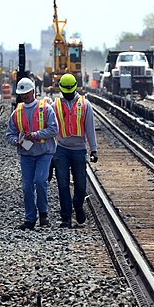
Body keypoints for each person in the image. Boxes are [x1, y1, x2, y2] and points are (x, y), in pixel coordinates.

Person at [6, 77, 58, 229]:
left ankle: (43, 214)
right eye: (22, 94)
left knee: (41, 181)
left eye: (27, 93)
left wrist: (35, 135)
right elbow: (10, 134)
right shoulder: (17, 112)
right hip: (26, 154)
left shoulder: (46, 108)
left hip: (44, 153)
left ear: (33, 91)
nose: (25, 96)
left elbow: (54, 129)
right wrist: (16, 141)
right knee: (27, 186)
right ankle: (30, 219)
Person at [52, 73, 98, 228]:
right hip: (61, 150)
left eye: (70, 90)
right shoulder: (55, 105)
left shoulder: (85, 105)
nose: (68, 93)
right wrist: (51, 153)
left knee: (80, 184)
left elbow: (90, 129)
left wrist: (94, 149)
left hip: (79, 150)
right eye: (65, 91)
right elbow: (51, 130)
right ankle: (66, 216)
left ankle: (78, 206)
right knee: (63, 184)